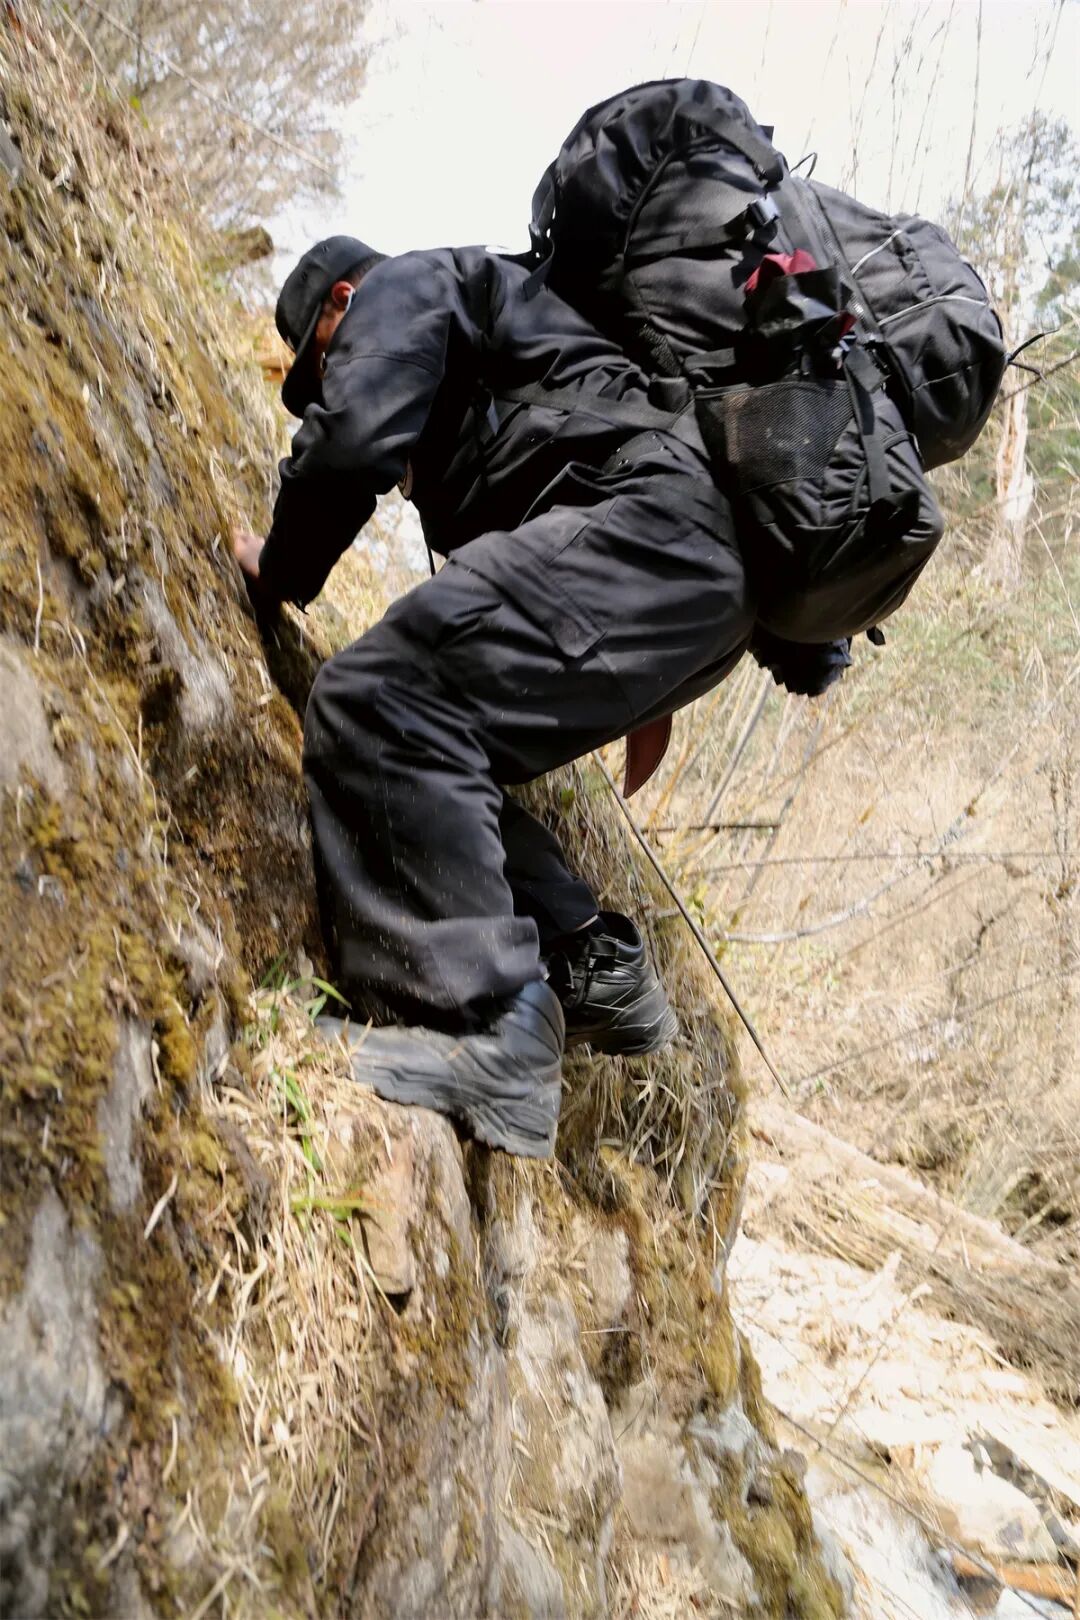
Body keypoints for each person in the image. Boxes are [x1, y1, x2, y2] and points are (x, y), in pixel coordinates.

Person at [233, 235, 843, 1159]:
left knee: (379, 696)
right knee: (444, 736)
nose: (325, 386)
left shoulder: (403, 286)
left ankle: (487, 1032)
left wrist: (277, 572)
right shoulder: (496, 361)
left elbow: (354, 437)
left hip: (656, 539)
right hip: (692, 579)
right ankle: (584, 957)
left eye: (320, 365)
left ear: (342, 300)